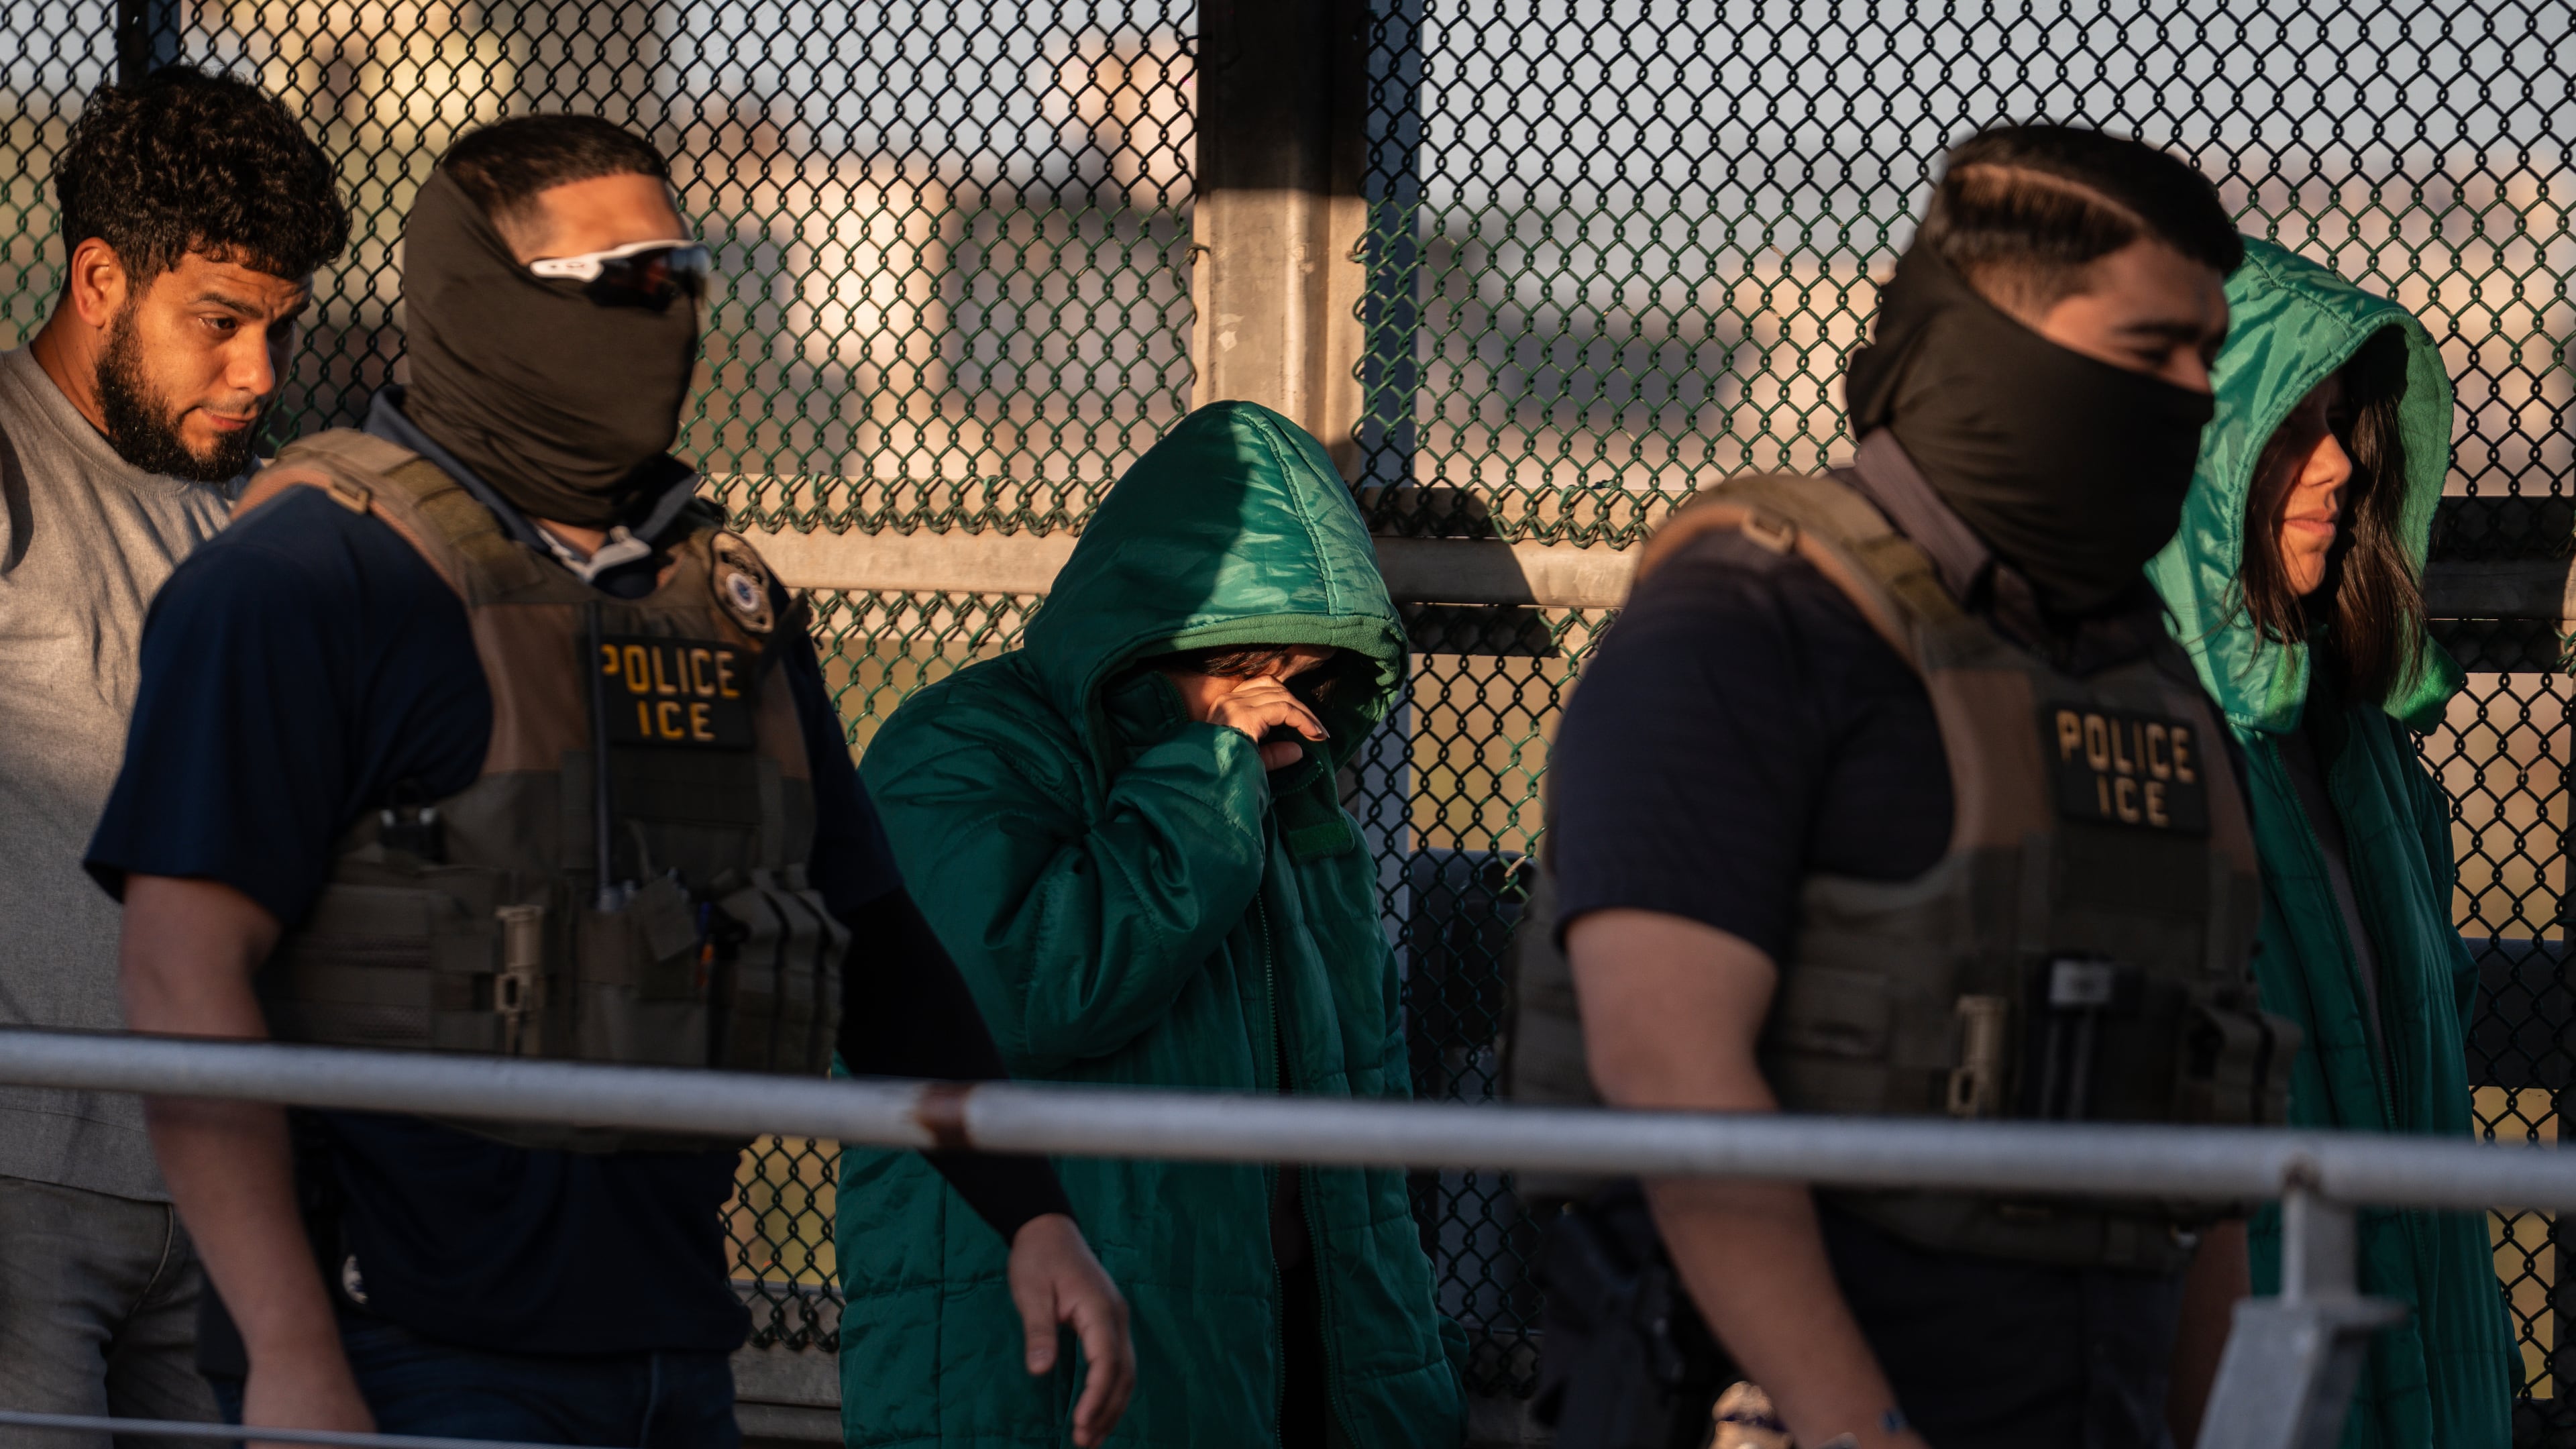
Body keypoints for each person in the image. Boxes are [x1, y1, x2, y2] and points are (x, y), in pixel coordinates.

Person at [87, 113, 1132, 1446]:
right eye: (616, 282)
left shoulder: (723, 598)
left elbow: (869, 932)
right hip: (407, 1360)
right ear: (476, 302)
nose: (664, 315)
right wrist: (293, 1355)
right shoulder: (306, 582)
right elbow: (183, 974)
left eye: (678, 276)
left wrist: (1030, 1211)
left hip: (676, 1347)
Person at [1547, 124, 2296, 1449]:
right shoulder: (1744, 624)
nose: (2193, 396)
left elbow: (2207, 1153)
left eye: (2206, 356)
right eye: (2149, 354)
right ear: (1992, 350)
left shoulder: (2151, 685)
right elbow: (1671, 1069)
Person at [837, 400, 1465, 1448]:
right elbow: (1026, 994)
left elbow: (1362, 1098)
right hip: (1031, 1366)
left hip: (1277, 1359)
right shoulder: (963, 748)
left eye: (1307, 683)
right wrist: (1200, 781)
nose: (1281, 711)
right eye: (1245, 671)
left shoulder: (1278, 790)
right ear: (1146, 641)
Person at [0, 65, 345, 1439]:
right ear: (98, 282)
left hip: (226, 1205)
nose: (258, 371)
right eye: (219, 323)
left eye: (275, 327)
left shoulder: (242, 518)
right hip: (23, 1200)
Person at [2145, 237, 2520, 1447]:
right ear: (2208, 461)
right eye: (2297, 428)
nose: (2347, 464)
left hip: (2425, 1365)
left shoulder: (2369, 761)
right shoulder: (2139, 753)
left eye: (2353, 422)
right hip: (2253, 1390)